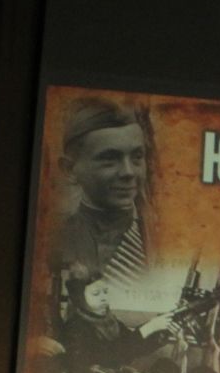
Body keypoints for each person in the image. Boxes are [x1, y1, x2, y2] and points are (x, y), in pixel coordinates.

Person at [46, 97, 154, 317]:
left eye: (137, 157)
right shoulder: (53, 241)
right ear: (69, 169)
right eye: (109, 159)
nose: (129, 172)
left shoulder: (160, 239)